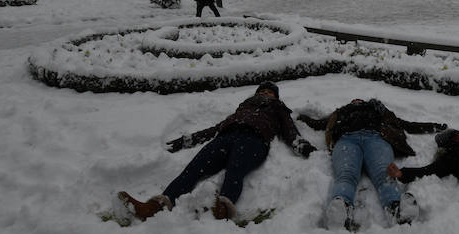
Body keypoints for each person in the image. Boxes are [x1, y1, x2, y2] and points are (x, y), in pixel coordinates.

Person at [118, 82, 316, 221]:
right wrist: (186, 140)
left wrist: (304, 147)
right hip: (225, 138)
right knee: (192, 170)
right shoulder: (242, 109)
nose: (265, 92)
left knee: (235, 170)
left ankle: (223, 208)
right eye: (262, 90)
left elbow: (290, 131)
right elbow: (215, 129)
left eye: (269, 91)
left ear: (275, 96)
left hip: (254, 140)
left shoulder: (278, 108)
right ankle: (155, 207)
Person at [298, 99, 446, 230]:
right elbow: (319, 124)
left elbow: (403, 124)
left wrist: (433, 126)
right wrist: (301, 118)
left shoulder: (375, 108)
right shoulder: (341, 112)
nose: (357, 101)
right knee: (346, 174)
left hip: (375, 139)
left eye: (359, 100)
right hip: (346, 141)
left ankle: (396, 210)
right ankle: (341, 210)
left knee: (384, 172)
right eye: (354, 101)